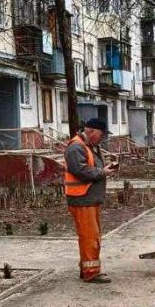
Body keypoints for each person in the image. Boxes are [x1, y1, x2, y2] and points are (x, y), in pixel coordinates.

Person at [64, 118, 116, 283]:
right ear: (91, 131)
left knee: (91, 236)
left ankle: (87, 269)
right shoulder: (76, 147)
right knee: (89, 237)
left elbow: (89, 167)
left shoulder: (88, 146)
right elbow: (81, 170)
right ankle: (91, 272)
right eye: (101, 135)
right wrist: (103, 172)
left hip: (88, 198)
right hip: (82, 198)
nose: (103, 138)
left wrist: (103, 169)